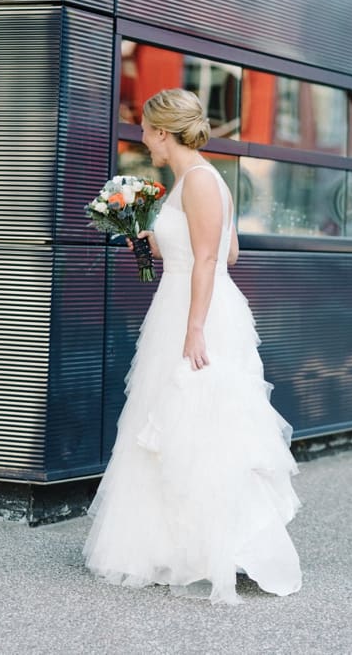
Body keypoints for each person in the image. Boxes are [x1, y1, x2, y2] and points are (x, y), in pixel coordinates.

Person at [83, 89, 301, 604]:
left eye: (144, 129)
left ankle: (216, 545)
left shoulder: (201, 180)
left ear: (163, 131)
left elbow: (211, 261)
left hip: (196, 312)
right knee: (172, 422)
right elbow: (230, 248)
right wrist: (141, 229)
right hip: (183, 304)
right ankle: (180, 545)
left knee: (201, 424)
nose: (141, 138)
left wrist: (195, 328)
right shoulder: (190, 182)